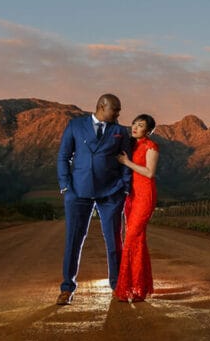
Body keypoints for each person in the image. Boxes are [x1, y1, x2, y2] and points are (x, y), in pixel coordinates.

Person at [56, 94, 132, 306]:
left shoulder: (119, 131)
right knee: (73, 240)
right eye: (115, 110)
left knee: (114, 241)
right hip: (78, 193)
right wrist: (65, 186)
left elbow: (127, 161)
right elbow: (64, 156)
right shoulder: (75, 125)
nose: (118, 114)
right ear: (102, 107)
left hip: (110, 194)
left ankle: (118, 286)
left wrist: (124, 187)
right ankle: (67, 288)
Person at [114, 114, 159, 303]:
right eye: (134, 123)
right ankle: (140, 288)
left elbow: (149, 173)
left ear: (147, 131)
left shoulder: (151, 146)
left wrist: (127, 163)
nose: (135, 127)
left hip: (145, 196)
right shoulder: (131, 144)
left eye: (140, 125)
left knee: (131, 237)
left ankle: (127, 288)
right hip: (131, 197)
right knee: (136, 240)